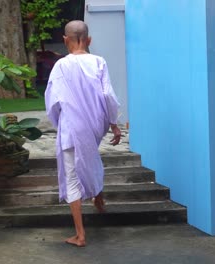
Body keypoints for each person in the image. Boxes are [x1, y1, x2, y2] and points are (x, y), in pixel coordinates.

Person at [45, 20, 121, 247]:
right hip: (94, 125)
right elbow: (108, 95)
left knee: (72, 178)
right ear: (89, 40)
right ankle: (98, 197)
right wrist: (113, 123)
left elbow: (52, 101)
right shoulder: (99, 62)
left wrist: (60, 120)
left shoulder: (61, 66)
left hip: (72, 127)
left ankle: (80, 235)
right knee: (90, 158)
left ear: (65, 40)